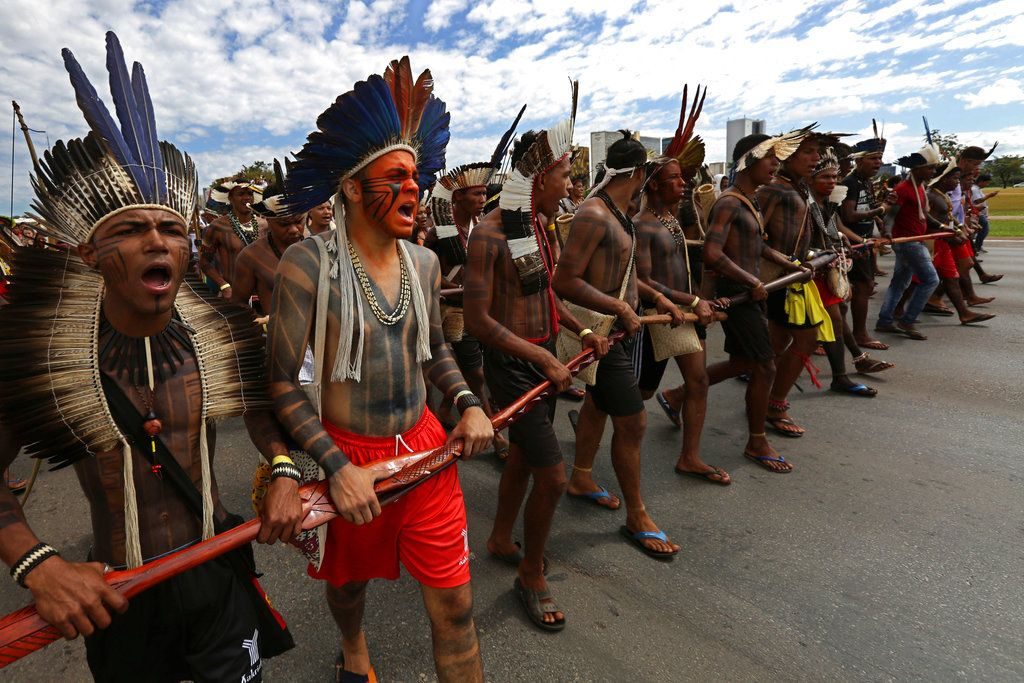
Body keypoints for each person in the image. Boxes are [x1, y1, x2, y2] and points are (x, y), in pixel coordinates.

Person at [0, 33, 299, 681]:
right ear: (89, 254)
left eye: (169, 228)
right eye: (131, 230)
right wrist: (40, 563)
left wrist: (281, 468)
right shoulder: (49, 363)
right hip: (123, 598)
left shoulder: (218, 332)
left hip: (217, 575)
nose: (156, 242)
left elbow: (264, 410)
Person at [269, 57, 491, 682]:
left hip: (425, 451)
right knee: (350, 589)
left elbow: (435, 352)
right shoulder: (305, 266)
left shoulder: (423, 262)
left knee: (455, 609)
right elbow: (283, 384)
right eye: (395, 176)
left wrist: (469, 402)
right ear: (351, 187)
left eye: (416, 177)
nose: (414, 189)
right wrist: (336, 470)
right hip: (351, 457)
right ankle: (354, 646)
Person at [464, 115, 608, 630]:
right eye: (566, 175)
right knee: (552, 474)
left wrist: (580, 329)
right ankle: (530, 573)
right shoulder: (488, 234)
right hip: (514, 367)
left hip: (544, 356)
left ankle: (502, 537)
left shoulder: (538, 227)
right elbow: (479, 321)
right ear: (540, 178)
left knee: (525, 458)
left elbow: (544, 291)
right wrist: (541, 357)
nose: (571, 186)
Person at [552, 132, 684, 559]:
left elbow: (624, 274)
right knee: (634, 423)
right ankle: (637, 514)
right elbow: (564, 282)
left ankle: (582, 476)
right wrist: (617, 308)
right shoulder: (593, 214)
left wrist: (657, 298)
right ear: (641, 173)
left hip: (619, 332)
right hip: (600, 332)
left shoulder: (621, 213)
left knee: (598, 404)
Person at [634, 86, 729, 484]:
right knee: (630, 395)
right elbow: (643, 281)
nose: (683, 184)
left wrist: (701, 299)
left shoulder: (672, 220)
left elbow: (684, 258)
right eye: (674, 179)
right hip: (657, 318)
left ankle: (689, 456)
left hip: (685, 316)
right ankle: (590, 416)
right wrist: (690, 299)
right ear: (654, 185)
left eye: (683, 177)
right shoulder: (642, 225)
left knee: (698, 380)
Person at [702, 131, 811, 473]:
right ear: (749, 161)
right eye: (770, 158)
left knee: (743, 362)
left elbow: (758, 246)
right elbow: (712, 252)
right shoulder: (729, 202)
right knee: (765, 366)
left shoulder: (751, 201)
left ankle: (677, 396)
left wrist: (790, 264)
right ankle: (756, 440)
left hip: (752, 292)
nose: (776, 165)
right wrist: (751, 280)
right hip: (737, 295)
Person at [425, 153, 517, 459]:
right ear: (459, 196)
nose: (483, 198)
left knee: (481, 370)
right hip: (458, 313)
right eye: (477, 193)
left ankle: (443, 407)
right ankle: (494, 431)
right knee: (476, 375)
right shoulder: (439, 235)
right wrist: (460, 289)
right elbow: (430, 278)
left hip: (485, 309)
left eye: (484, 193)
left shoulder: (484, 229)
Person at [757, 130, 830, 438]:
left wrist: (816, 256)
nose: (816, 158)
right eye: (808, 152)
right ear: (787, 155)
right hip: (780, 280)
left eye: (817, 152)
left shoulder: (800, 190)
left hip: (796, 276)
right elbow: (752, 239)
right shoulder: (773, 189)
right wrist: (789, 263)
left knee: (768, 350)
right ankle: (773, 404)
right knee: (805, 340)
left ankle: (681, 394)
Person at [807, 148, 891, 398]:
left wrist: (849, 243)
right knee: (829, 319)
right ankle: (852, 364)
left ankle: (849, 366)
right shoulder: (803, 203)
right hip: (809, 270)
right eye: (825, 177)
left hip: (825, 265)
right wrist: (820, 255)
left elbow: (836, 227)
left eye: (834, 177)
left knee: (837, 314)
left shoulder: (825, 202)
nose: (832, 182)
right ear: (810, 179)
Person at [874, 142, 943, 340]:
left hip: (914, 241)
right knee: (931, 280)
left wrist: (942, 227)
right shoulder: (904, 189)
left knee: (899, 283)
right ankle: (907, 321)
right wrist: (886, 233)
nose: (933, 171)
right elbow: (891, 216)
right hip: (907, 243)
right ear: (918, 168)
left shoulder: (920, 187)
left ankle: (885, 321)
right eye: (930, 167)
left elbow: (924, 216)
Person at [231, 164, 307, 318]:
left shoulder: (320, 246)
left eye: (298, 221)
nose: (293, 229)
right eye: (284, 224)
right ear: (267, 219)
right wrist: (261, 324)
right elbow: (238, 306)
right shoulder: (251, 257)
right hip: (276, 338)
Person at [925, 161, 995, 326]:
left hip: (944, 239)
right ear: (943, 179)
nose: (958, 182)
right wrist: (951, 234)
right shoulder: (931, 196)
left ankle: (963, 312)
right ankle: (895, 312)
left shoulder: (943, 195)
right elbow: (929, 222)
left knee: (952, 275)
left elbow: (949, 217)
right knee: (916, 281)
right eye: (955, 178)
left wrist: (960, 228)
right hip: (935, 242)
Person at [840, 132, 891, 351]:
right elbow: (849, 216)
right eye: (873, 158)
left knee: (862, 288)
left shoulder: (866, 182)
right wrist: (880, 209)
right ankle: (858, 334)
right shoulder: (850, 182)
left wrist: (880, 221)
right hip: (852, 244)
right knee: (860, 288)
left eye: (879, 159)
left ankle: (847, 334)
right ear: (859, 160)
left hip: (865, 242)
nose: (878, 163)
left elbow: (868, 208)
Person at [199, 176, 267, 299]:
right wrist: (224, 286)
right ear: (230, 198)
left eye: (250, 194)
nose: (246, 198)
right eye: (241, 194)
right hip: (234, 296)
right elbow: (204, 262)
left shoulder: (265, 225)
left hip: (264, 296)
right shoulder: (218, 226)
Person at [971, 173, 997, 253]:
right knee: (984, 229)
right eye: (987, 182)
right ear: (981, 181)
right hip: (977, 213)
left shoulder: (978, 189)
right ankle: (976, 247)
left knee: (978, 231)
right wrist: (989, 195)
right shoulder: (974, 189)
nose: (987, 184)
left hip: (980, 213)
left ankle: (977, 246)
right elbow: (977, 201)